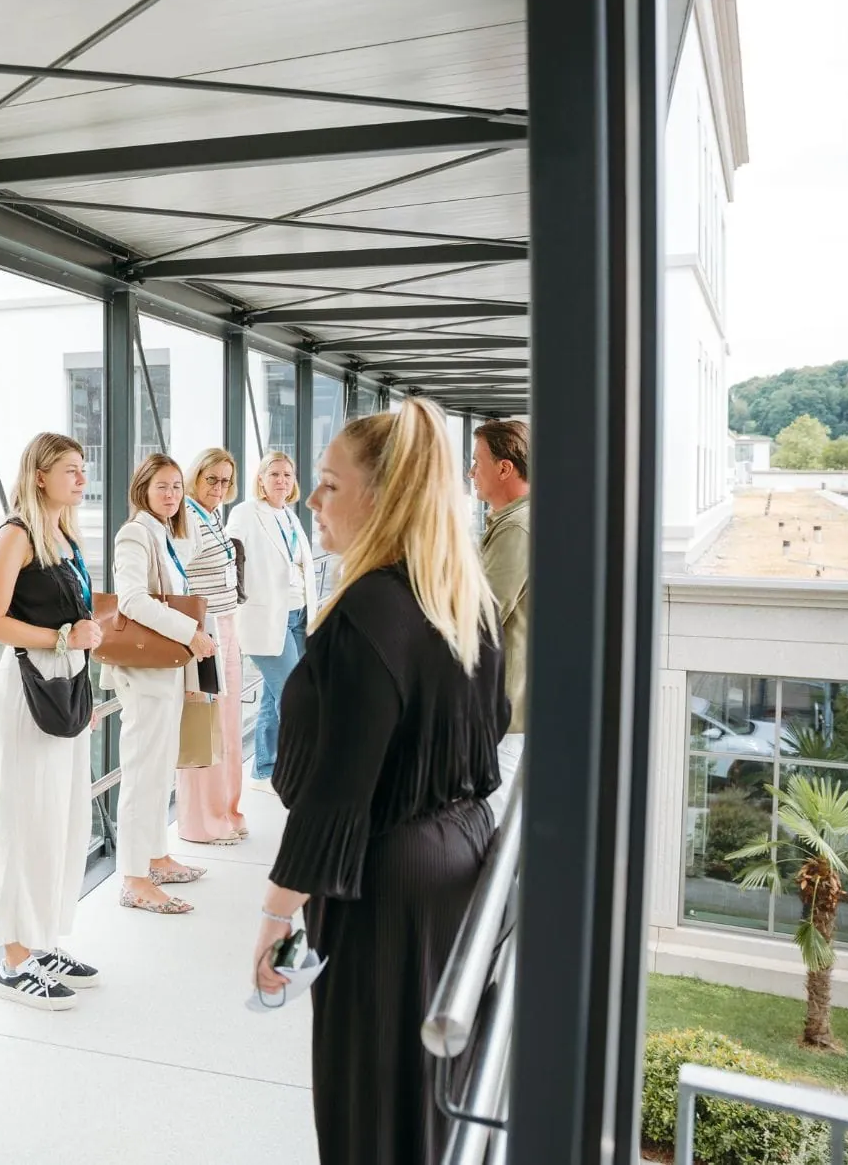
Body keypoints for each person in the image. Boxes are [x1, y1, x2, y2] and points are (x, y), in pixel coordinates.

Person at [250, 400, 509, 1165]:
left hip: (386, 885)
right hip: (456, 859)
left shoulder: (370, 606)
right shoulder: (465, 599)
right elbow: (488, 725)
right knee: (425, 1101)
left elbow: (339, 787)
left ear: (381, 496)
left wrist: (275, 915)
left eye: (329, 484)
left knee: (369, 1106)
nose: (312, 499)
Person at [0, 433, 106, 1009]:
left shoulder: (65, 535)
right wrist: (62, 636)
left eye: (83, 469)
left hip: (63, 688)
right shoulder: (17, 535)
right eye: (70, 470)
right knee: (28, 822)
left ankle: (41, 942)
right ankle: (12, 961)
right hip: (29, 692)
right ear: (39, 476)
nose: (81, 478)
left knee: (61, 820)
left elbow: (73, 623)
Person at [105, 454, 217, 915]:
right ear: (142, 490)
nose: (171, 495)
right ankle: (134, 879)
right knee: (142, 772)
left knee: (158, 769)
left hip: (165, 669)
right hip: (146, 672)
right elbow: (131, 600)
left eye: (176, 487)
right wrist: (190, 634)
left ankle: (155, 856)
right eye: (161, 487)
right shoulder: (135, 533)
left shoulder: (165, 534)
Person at [227, 451, 315, 791]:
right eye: (274, 474)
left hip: (298, 614)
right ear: (261, 479)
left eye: (287, 475)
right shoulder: (246, 513)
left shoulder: (289, 516)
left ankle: (265, 769)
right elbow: (229, 558)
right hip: (266, 617)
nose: (281, 480)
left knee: (271, 695)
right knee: (293, 695)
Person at [175, 448, 249, 846]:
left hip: (224, 627)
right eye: (211, 480)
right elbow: (178, 579)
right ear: (195, 477)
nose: (218, 488)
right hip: (203, 633)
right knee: (206, 729)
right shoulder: (187, 518)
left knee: (228, 725)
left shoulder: (214, 517)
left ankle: (226, 811)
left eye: (225, 481)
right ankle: (202, 821)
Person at [471, 418, 531, 817]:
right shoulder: (513, 522)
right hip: (507, 703)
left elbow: (481, 613)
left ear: (504, 468)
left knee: (492, 819)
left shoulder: (518, 529)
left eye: (477, 461)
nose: (471, 472)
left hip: (505, 708)